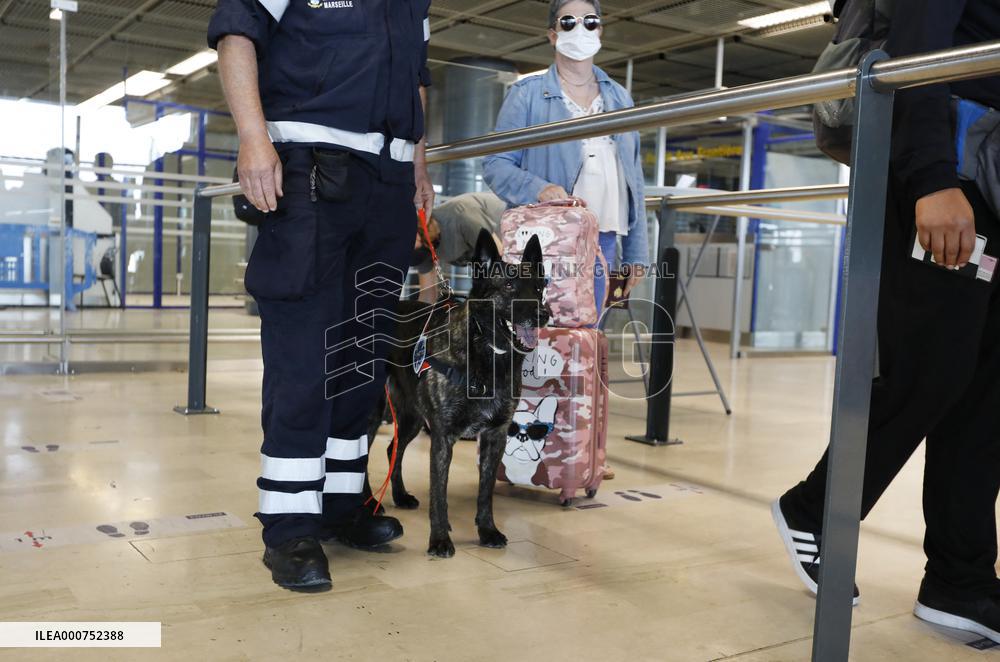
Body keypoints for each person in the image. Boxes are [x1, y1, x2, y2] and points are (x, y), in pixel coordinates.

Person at [772, 0, 1000, 642]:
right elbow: (916, 52)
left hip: (992, 173)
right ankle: (815, 508)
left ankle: (960, 579)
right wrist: (930, 178)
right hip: (953, 169)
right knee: (932, 367)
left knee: (986, 393)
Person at [208, 0, 435, 591]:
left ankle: (340, 504)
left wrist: (418, 164)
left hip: (388, 181)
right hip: (309, 168)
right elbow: (236, 37)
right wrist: (253, 138)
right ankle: (290, 528)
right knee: (304, 355)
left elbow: (417, 77)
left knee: (363, 355)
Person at [482, 0, 650, 312]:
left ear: (600, 30)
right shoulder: (526, 94)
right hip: (546, 238)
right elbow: (496, 164)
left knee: (587, 330)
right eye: (568, 22)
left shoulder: (619, 97)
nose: (580, 28)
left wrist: (636, 253)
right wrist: (539, 188)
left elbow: (634, 179)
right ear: (552, 35)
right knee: (541, 328)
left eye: (590, 21)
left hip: (603, 237)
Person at [413, 191, 506, 302]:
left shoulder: (461, 215)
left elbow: (499, 256)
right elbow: (428, 293)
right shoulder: (419, 250)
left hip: (511, 232)